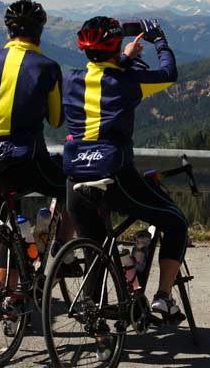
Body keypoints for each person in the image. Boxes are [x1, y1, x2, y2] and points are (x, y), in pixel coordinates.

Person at [62, 16, 188, 319]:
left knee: (94, 244)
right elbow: (169, 74)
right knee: (175, 221)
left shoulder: (68, 80)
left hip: (75, 177)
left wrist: (123, 59)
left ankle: (92, 312)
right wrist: (159, 41)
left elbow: (103, 76)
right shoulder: (128, 83)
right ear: (115, 44)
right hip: (115, 176)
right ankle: (163, 298)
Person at [0, 0, 76, 333]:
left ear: (8, 30)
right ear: (40, 32)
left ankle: (9, 299)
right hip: (27, 159)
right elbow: (58, 119)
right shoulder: (46, 67)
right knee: (73, 185)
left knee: (7, 226)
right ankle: (62, 252)